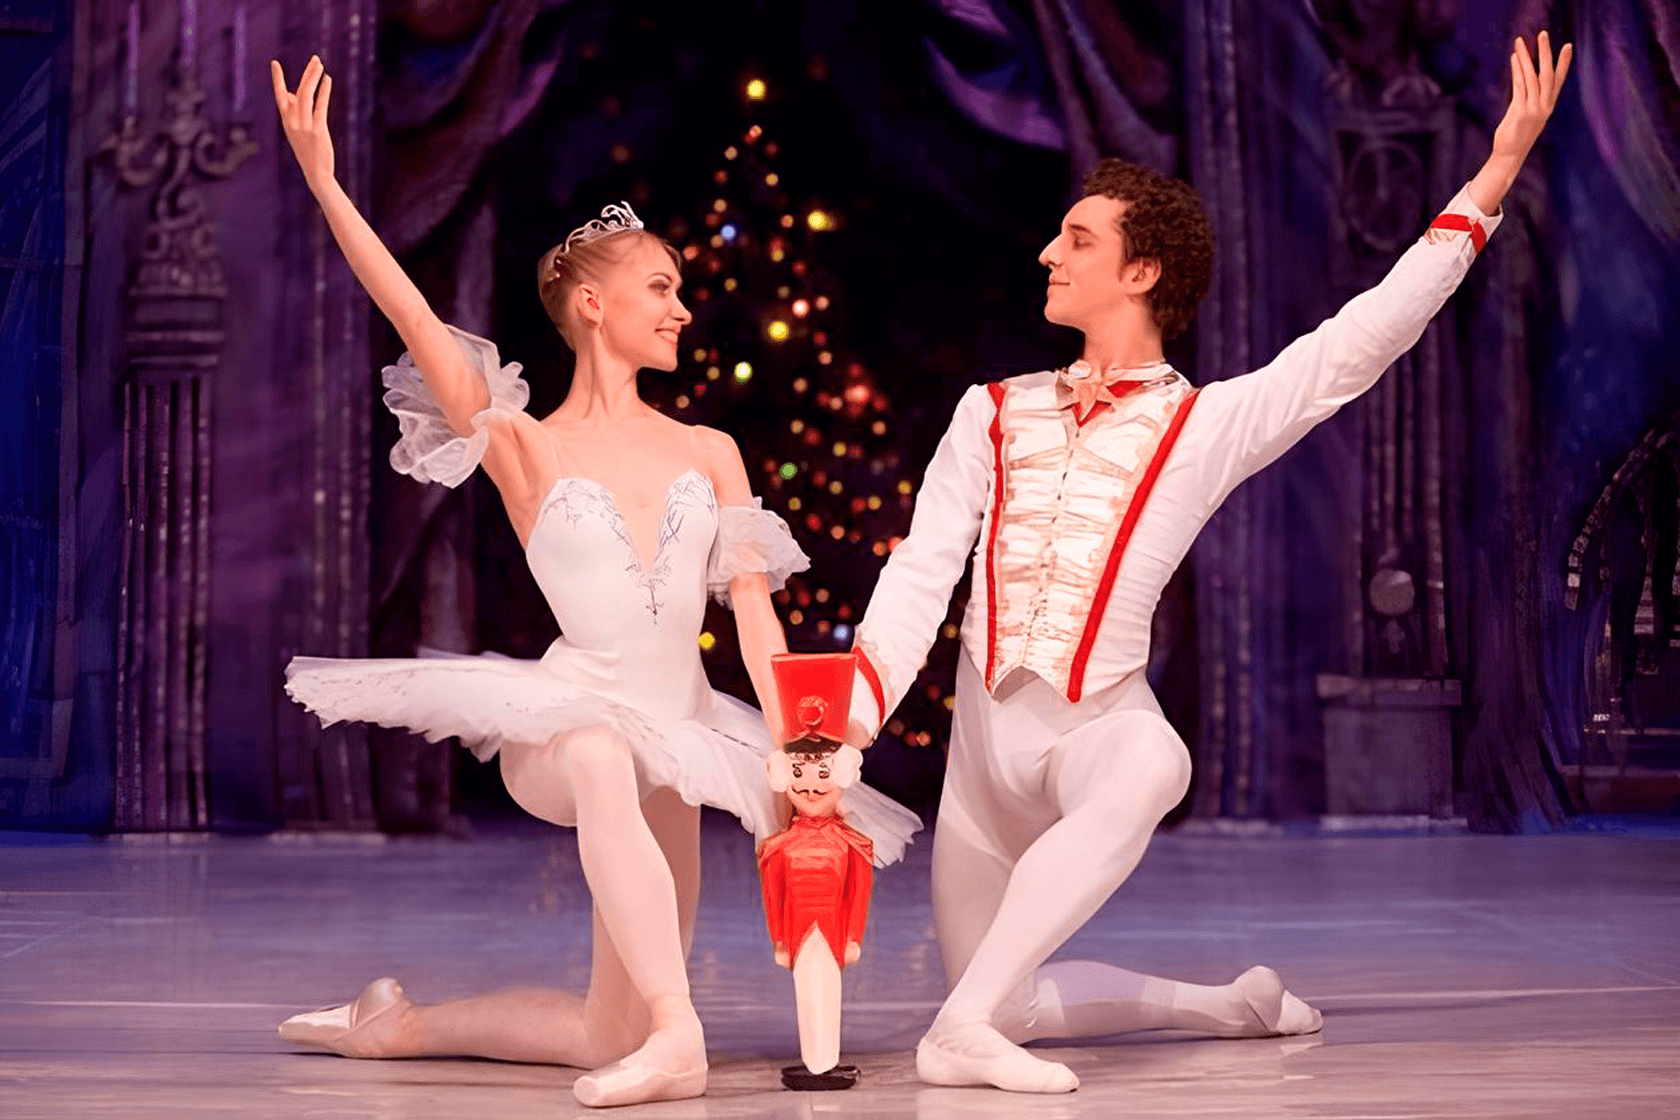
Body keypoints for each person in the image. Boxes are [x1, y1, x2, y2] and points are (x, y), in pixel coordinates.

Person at [842, 33, 1573, 1093]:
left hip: (1095, 734)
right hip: (983, 766)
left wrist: (1494, 173)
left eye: (1077, 239)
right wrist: (846, 729)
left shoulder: (1203, 425)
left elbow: (1359, 341)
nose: (1047, 253)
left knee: (1154, 761)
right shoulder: (989, 413)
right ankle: (1225, 1005)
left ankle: (957, 1038)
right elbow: (921, 571)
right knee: (1006, 996)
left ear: (1140, 272)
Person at [265, 56, 919, 1108]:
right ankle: (680, 1037)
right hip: (568, 728)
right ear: (590, 302)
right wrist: (328, 184)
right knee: (604, 754)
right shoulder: (528, 446)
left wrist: (798, 740)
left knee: (603, 1029)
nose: (682, 311)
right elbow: (415, 320)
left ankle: (398, 1028)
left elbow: (757, 621)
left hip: (683, 735)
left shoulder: (709, 450)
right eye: (661, 288)